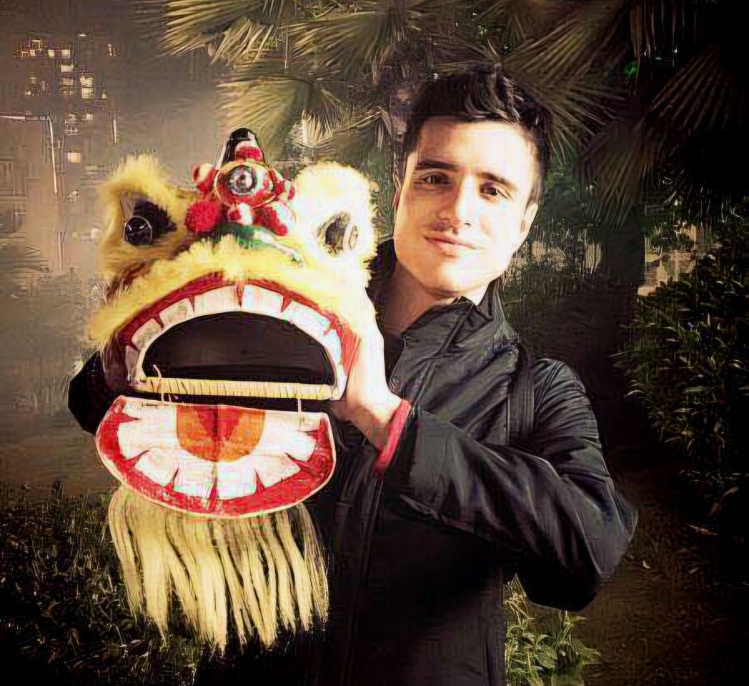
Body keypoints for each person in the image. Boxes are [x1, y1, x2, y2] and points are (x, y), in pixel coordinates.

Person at [69, 64, 638, 686]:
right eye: (436, 177)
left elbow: (586, 557)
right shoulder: (287, 305)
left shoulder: (537, 389)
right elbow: (101, 405)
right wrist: (160, 300)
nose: (458, 210)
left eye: (493, 190)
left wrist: (386, 420)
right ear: (400, 192)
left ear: (525, 222)